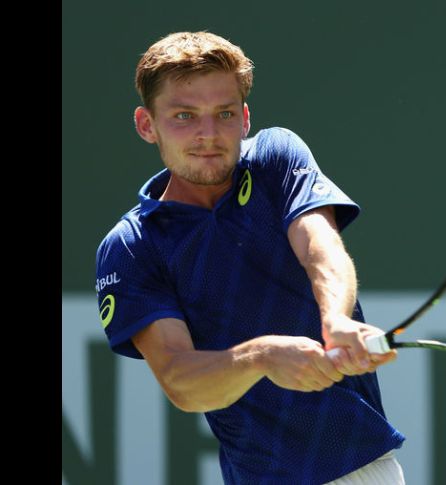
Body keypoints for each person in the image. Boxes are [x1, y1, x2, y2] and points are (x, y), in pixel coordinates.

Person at [95, 31, 405, 484]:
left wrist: (335, 319)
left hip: (360, 470)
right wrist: (262, 356)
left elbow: (318, 242)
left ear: (243, 118)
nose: (208, 134)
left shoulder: (276, 158)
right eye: (184, 116)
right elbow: (180, 380)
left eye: (223, 114)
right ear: (147, 125)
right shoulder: (131, 247)